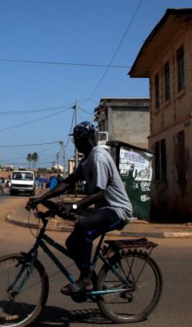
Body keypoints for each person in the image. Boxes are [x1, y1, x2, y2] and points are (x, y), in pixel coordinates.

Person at [27, 121, 133, 296]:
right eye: (75, 140)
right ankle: (91, 278)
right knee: (71, 243)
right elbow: (67, 183)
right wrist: (42, 198)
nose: (76, 144)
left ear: (87, 139)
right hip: (104, 210)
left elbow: (99, 193)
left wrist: (74, 206)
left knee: (84, 227)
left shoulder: (98, 157)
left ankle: (85, 280)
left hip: (117, 210)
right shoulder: (87, 160)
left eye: (77, 140)